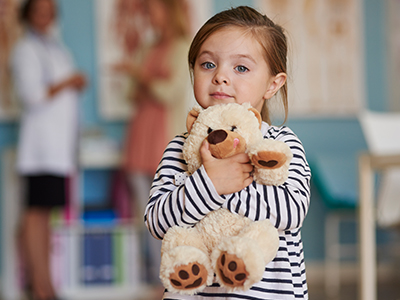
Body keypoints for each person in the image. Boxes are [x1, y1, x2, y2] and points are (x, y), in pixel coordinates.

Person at [145, 5, 311, 300]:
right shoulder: (180, 149)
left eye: (241, 68)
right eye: (207, 64)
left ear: (273, 84)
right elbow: (157, 222)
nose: (221, 76)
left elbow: (292, 211)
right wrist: (208, 182)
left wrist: (229, 186)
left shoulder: (280, 145)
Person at [112, 0, 193, 286]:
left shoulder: (183, 47)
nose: (150, 18)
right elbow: (132, 94)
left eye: (153, 11)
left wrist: (140, 77)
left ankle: (172, 278)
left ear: (169, 13)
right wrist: (142, 82)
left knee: (169, 210)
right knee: (143, 212)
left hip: (163, 136)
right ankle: (153, 278)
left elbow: (169, 93)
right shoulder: (147, 48)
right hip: (139, 134)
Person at [10, 0, 87, 299]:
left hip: (57, 148)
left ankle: (46, 285)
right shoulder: (25, 49)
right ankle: (41, 287)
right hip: (41, 148)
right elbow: (32, 95)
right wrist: (69, 81)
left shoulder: (54, 47)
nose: (46, 16)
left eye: (50, 11)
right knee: (35, 214)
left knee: (46, 216)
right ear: (28, 14)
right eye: (40, 10)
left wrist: (70, 83)